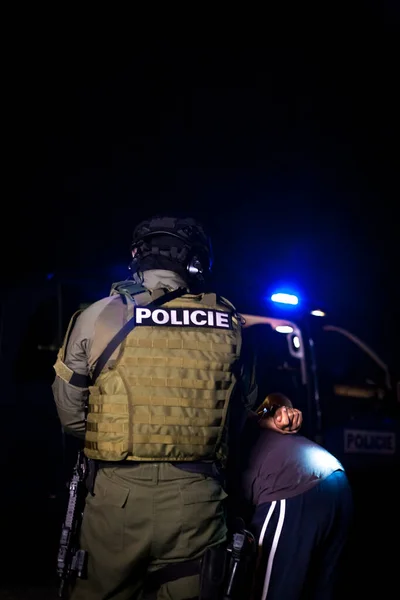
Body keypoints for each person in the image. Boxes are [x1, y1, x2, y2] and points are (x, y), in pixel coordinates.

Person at [52, 215, 302, 600]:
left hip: (116, 501)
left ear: (138, 257)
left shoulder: (96, 317)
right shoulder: (230, 324)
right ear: (198, 263)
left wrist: (123, 437)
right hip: (197, 502)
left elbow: (71, 419)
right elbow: (253, 405)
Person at [239, 393, 353, 600]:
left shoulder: (240, 425)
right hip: (336, 478)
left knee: (267, 592)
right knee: (318, 589)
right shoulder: (251, 422)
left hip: (293, 483)